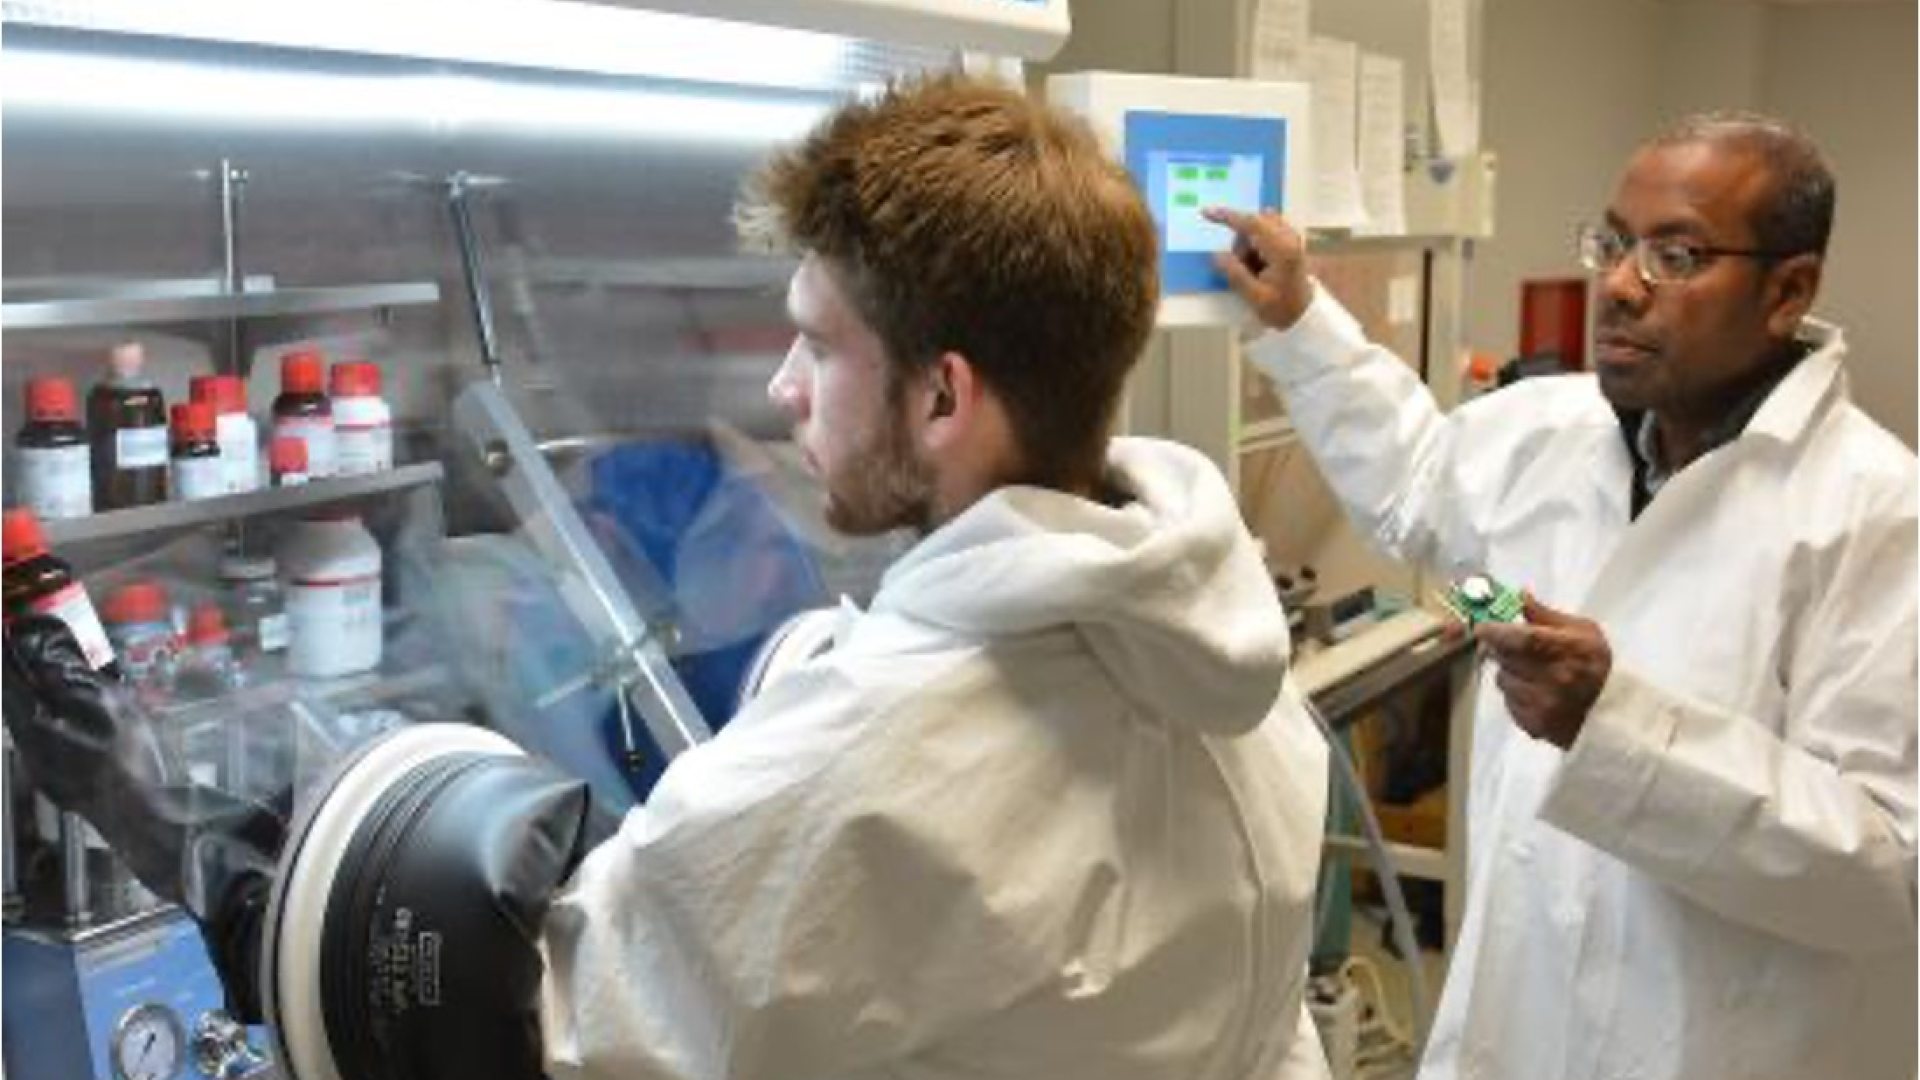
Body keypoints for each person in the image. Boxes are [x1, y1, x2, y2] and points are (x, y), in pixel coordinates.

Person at [5, 74, 1335, 1079]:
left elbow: (495, 1015)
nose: (779, 386)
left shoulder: (876, 772)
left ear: (944, 397)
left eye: (820, 345)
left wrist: (161, 822)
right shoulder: (1247, 687)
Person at [1206, 112, 1917, 1079]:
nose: (1620, 284)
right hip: (1518, 1026)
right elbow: (1428, 505)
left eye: (1676, 254)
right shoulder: (1554, 429)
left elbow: (1884, 873)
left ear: (1787, 290)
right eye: (1616, 243)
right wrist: (1299, 322)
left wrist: (1613, 726)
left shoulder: (1876, 515)